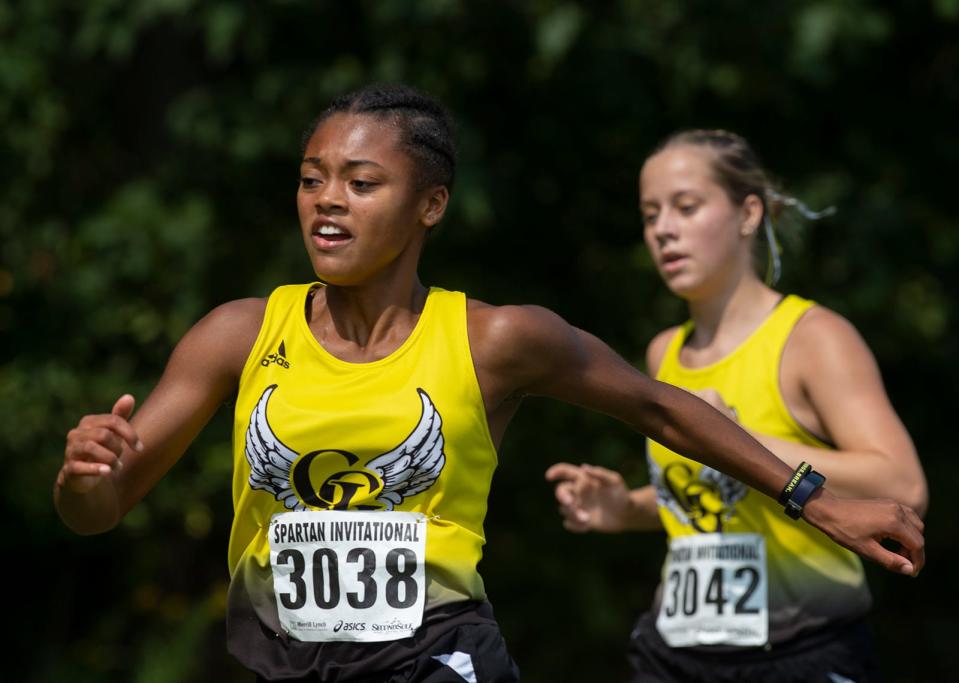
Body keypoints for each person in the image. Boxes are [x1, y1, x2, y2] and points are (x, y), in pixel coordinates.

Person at [55, 88, 923, 683]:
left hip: (434, 655)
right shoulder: (239, 332)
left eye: (362, 184)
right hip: (277, 657)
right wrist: (85, 477)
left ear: (429, 205)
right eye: (311, 178)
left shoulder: (496, 338)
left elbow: (660, 407)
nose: (328, 201)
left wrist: (814, 497)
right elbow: (99, 509)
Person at [546, 129, 928, 683]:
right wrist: (626, 508)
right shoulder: (664, 352)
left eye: (686, 207)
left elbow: (904, 488)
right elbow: (717, 495)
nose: (664, 231)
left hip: (802, 652)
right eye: (651, 215)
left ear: (748, 213)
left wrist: (733, 437)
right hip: (674, 655)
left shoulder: (813, 337)